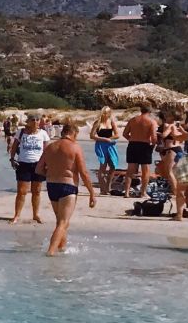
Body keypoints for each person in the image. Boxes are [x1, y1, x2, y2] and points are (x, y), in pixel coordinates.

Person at [37, 120, 94, 256]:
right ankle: (51, 252)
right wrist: (92, 193)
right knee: (63, 222)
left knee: (60, 221)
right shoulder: (75, 147)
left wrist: (51, 174)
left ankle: (62, 248)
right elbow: (84, 173)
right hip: (68, 186)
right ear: (73, 133)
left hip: (51, 185)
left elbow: (38, 169)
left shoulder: (50, 147)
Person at [10, 114, 49, 225]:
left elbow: (46, 150)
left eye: (37, 120)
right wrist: (12, 159)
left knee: (36, 191)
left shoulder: (43, 133)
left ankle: (35, 214)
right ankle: (16, 215)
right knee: (21, 192)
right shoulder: (21, 132)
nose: (36, 121)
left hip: (38, 164)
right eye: (33, 120)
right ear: (28, 121)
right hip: (23, 163)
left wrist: (47, 164)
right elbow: (14, 146)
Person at [123, 107, 159, 200]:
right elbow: (154, 137)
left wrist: (132, 139)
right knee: (145, 171)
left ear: (141, 111)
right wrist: (153, 146)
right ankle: (143, 193)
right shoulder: (151, 122)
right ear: (149, 112)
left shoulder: (133, 120)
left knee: (130, 170)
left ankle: (126, 192)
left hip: (132, 145)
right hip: (144, 145)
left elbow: (125, 133)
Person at [90, 109, 122, 198]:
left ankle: (108, 186)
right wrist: (103, 139)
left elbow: (117, 134)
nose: (106, 115)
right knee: (103, 165)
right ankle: (102, 188)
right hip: (101, 145)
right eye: (105, 113)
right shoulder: (98, 123)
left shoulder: (111, 122)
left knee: (113, 165)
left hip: (110, 145)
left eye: (107, 113)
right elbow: (92, 135)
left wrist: (110, 138)